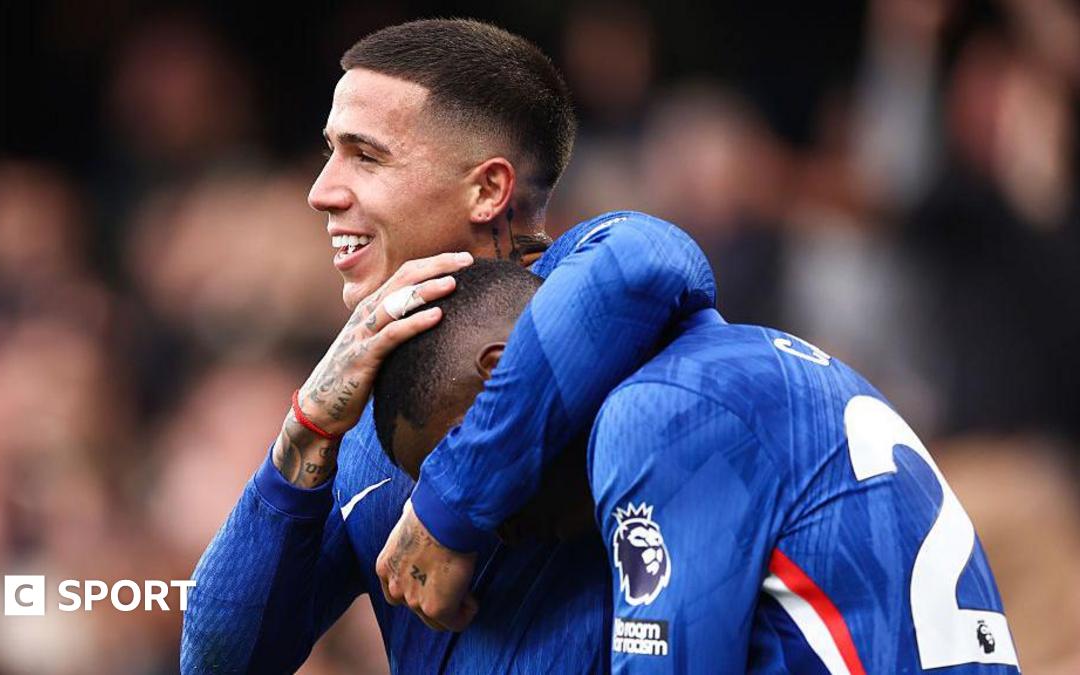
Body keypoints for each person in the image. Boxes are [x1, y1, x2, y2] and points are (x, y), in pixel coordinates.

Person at [181, 18, 717, 673]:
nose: (321, 192)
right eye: (329, 153)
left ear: (489, 190)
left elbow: (643, 264)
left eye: (366, 156)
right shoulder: (365, 428)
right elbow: (219, 660)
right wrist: (307, 427)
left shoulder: (617, 298)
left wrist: (444, 509)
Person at [373, 259, 1021, 673]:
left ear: (502, 374)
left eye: (462, 452)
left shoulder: (653, 417)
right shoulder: (740, 359)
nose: (493, 530)